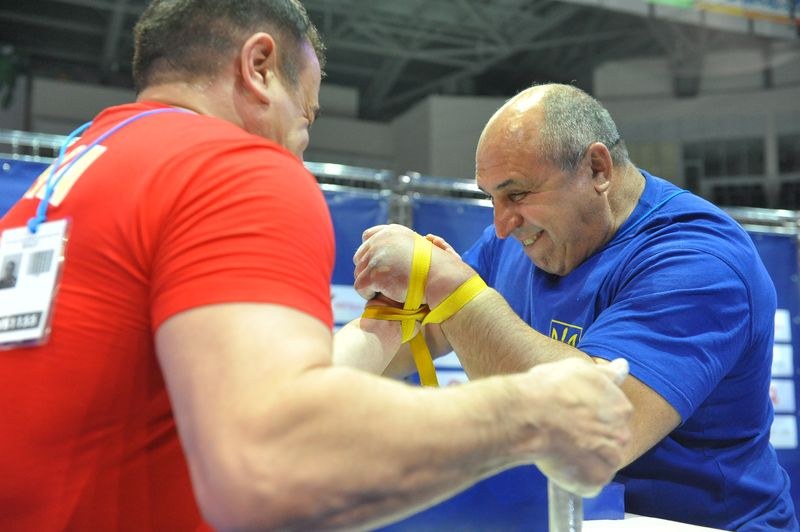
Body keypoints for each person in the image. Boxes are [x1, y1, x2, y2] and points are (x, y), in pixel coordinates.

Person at [0, 5, 635, 531]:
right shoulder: (231, 169)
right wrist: (533, 412)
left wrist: (388, 321)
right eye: (307, 115)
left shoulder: (65, 177)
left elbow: (232, 391)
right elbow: (272, 462)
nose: (302, 142)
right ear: (259, 68)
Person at [353, 83, 798, 531]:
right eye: (492, 197)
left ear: (597, 169)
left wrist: (451, 285)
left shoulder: (699, 261)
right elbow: (426, 331)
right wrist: (310, 378)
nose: (502, 225)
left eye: (518, 194)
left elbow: (594, 430)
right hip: (570, 512)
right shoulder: (519, 240)